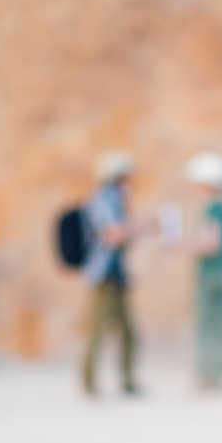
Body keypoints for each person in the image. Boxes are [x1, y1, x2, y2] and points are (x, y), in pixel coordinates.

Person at [82, 150, 142, 396]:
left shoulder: (116, 199)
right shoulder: (104, 200)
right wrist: (143, 226)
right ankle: (89, 383)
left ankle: (127, 381)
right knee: (97, 330)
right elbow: (112, 235)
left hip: (116, 275)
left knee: (128, 331)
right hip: (103, 276)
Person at [183, 151, 222, 390]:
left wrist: (182, 246)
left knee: (207, 326)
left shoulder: (213, 210)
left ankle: (209, 376)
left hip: (209, 274)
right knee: (220, 324)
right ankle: (219, 373)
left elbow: (209, 244)